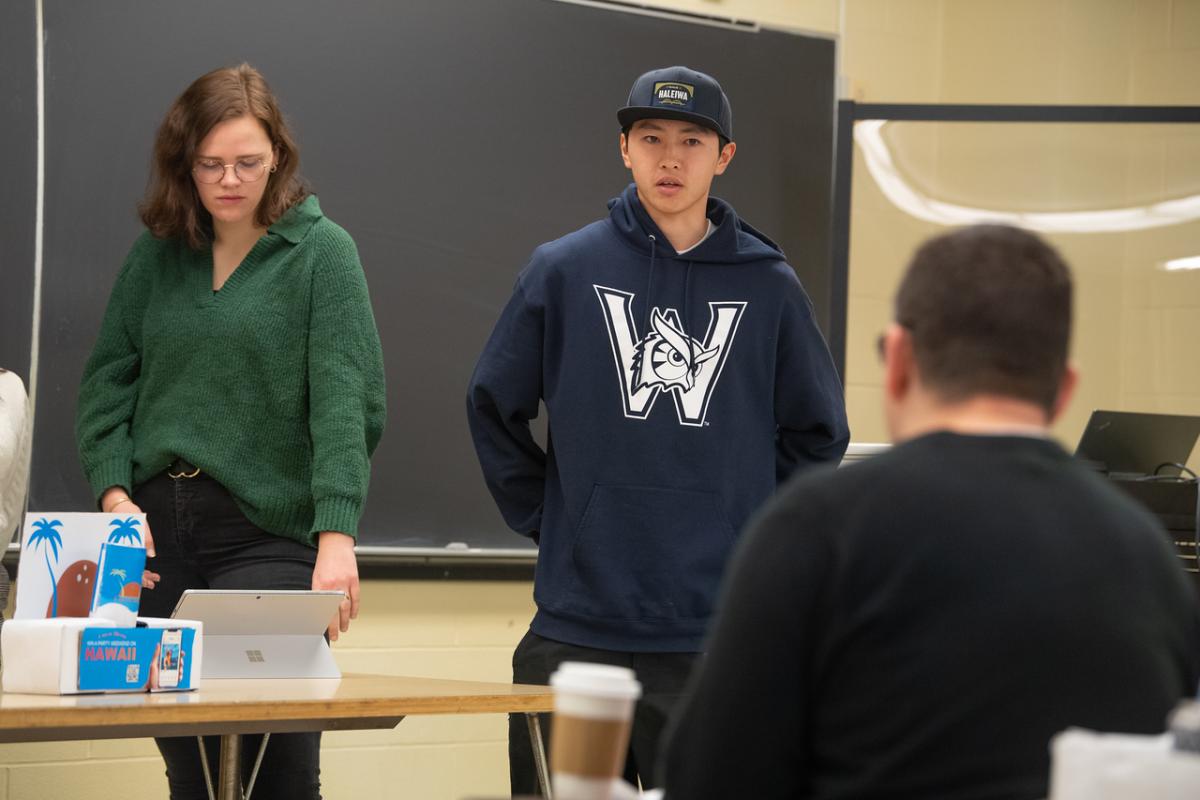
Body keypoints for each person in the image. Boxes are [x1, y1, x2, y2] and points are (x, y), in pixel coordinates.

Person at [662, 224, 1200, 800]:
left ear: (898, 360)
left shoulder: (818, 529)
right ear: (1064, 389)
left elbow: (711, 778)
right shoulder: (1146, 554)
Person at [466, 65, 849, 794]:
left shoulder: (769, 286)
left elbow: (818, 433)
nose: (670, 159)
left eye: (692, 141)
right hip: (576, 630)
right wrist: (552, 519)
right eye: (651, 138)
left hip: (710, 638)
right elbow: (492, 402)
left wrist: (752, 535)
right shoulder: (562, 270)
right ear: (624, 149)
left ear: (724, 156)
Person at [75, 64, 386, 800]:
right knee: (191, 769)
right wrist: (114, 496)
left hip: (266, 536)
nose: (229, 180)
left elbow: (348, 402)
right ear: (185, 164)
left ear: (277, 153)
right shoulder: (157, 254)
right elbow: (104, 383)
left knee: (278, 769)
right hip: (153, 540)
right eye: (210, 164)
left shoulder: (322, 254)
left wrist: (337, 537)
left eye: (248, 161)